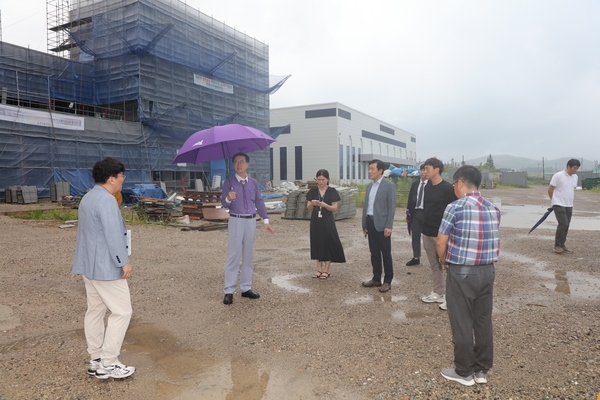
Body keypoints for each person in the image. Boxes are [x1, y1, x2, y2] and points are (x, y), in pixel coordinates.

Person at [436, 165, 501, 386]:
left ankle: (464, 371)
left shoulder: (455, 207)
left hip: (462, 271)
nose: (454, 187)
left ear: (460, 183)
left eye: (454, 183)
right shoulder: (493, 208)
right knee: (482, 320)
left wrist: (444, 260)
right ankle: (481, 370)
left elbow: (440, 241)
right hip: (487, 271)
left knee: (461, 321)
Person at [72, 157, 135, 379]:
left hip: (89, 266)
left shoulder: (88, 197)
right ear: (111, 178)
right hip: (106, 267)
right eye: (121, 176)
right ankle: (109, 362)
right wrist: (123, 262)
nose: (122, 180)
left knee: (95, 311)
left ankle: (96, 359)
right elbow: (111, 235)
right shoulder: (106, 201)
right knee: (122, 311)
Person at [221, 152, 274, 305]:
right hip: (236, 219)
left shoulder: (253, 183)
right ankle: (229, 290)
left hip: (250, 220)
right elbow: (224, 204)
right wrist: (228, 198)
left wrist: (266, 220)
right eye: (236, 162)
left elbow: (259, 201)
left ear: (247, 164)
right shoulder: (229, 182)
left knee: (248, 255)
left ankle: (246, 288)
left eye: (242, 161)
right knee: (233, 255)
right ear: (233, 165)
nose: (239, 164)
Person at [420, 157, 457, 310]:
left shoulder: (448, 189)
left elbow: (455, 211)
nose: (424, 171)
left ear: (437, 170)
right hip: (427, 231)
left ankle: (452, 298)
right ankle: (438, 292)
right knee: (435, 265)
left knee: (448, 265)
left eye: (427, 168)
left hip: (442, 234)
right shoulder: (427, 186)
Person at [361, 159, 397, 293]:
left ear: (380, 170)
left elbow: (391, 207)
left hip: (382, 225)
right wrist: (364, 224)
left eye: (372, 169)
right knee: (374, 253)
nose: (370, 171)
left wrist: (388, 226)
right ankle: (376, 278)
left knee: (386, 253)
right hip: (370, 223)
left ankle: (387, 281)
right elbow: (366, 206)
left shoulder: (389, 186)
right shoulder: (370, 186)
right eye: (369, 169)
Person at [306, 169, 346, 278]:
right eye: (319, 180)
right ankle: (319, 269)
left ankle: (326, 269)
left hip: (327, 220)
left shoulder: (332, 191)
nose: (321, 182)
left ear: (328, 179)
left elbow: (334, 208)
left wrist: (325, 206)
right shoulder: (313, 191)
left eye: (323, 180)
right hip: (315, 221)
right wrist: (313, 204)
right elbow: (308, 208)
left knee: (328, 242)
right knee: (317, 242)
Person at [548, 158, 580, 254]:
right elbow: (550, 189)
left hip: (569, 204)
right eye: (574, 168)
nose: (576, 170)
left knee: (567, 225)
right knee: (563, 223)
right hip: (558, 203)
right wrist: (553, 201)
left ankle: (562, 245)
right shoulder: (558, 176)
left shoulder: (575, 177)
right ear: (568, 166)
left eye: (577, 168)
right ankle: (557, 245)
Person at [405, 164, 427, 266]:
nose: (423, 172)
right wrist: (408, 213)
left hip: (428, 213)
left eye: (425, 170)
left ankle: (437, 257)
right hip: (416, 212)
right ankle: (416, 257)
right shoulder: (415, 184)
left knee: (431, 237)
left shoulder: (432, 185)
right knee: (415, 235)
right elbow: (410, 199)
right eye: (421, 170)